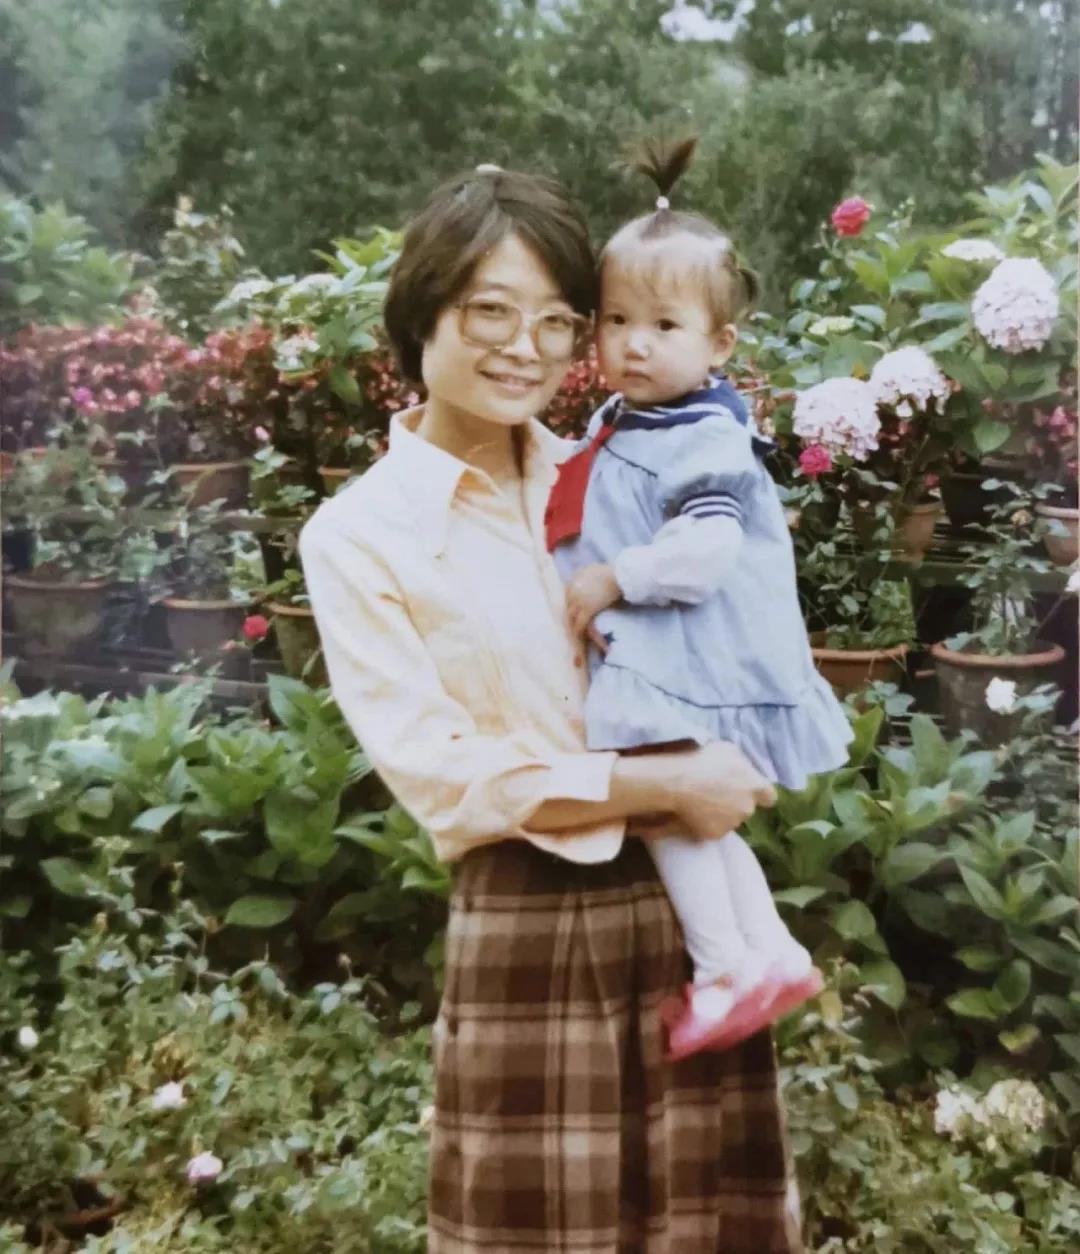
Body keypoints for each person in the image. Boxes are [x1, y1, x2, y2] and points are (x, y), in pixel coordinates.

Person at [301, 163, 805, 1252]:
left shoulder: (616, 476)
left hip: (684, 909)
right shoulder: (362, 535)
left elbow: (730, 622)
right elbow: (445, 773)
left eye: (556, 320)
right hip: (528, 916)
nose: (523, 347)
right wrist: (664, 780)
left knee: (705, 1228)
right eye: (490, 310)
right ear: (422, 312)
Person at [545, 137, 853, 1061]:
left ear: (719, 344)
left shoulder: (705, 441)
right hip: (664, 654)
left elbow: (708, 552)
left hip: (691, 660)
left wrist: (615, 579)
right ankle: (775, 951)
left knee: (668, 812)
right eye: (615, 319)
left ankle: (723, 970)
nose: (633, 342)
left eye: (664, 325)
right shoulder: (634, 417)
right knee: (695, 816)